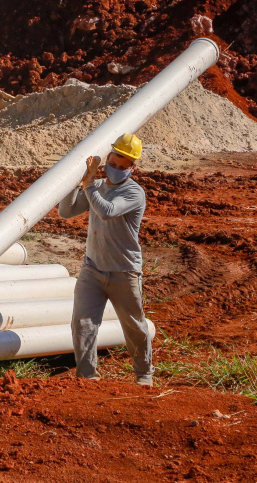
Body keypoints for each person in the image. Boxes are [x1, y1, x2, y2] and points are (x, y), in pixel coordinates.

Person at [58, 133, 153, 386]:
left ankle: (144, 374)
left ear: (133, 168)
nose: (117, 169)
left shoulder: (134, 192)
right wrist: (72, 182)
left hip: (124, 271)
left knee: (134, 326)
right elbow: (66, 211)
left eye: (124, 167)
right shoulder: (97, 186)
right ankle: (88, 378)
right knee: (83, 324)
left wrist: (88, 184)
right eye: (114, 163)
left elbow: (107, 211)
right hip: (93, 268)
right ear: (108, 157)